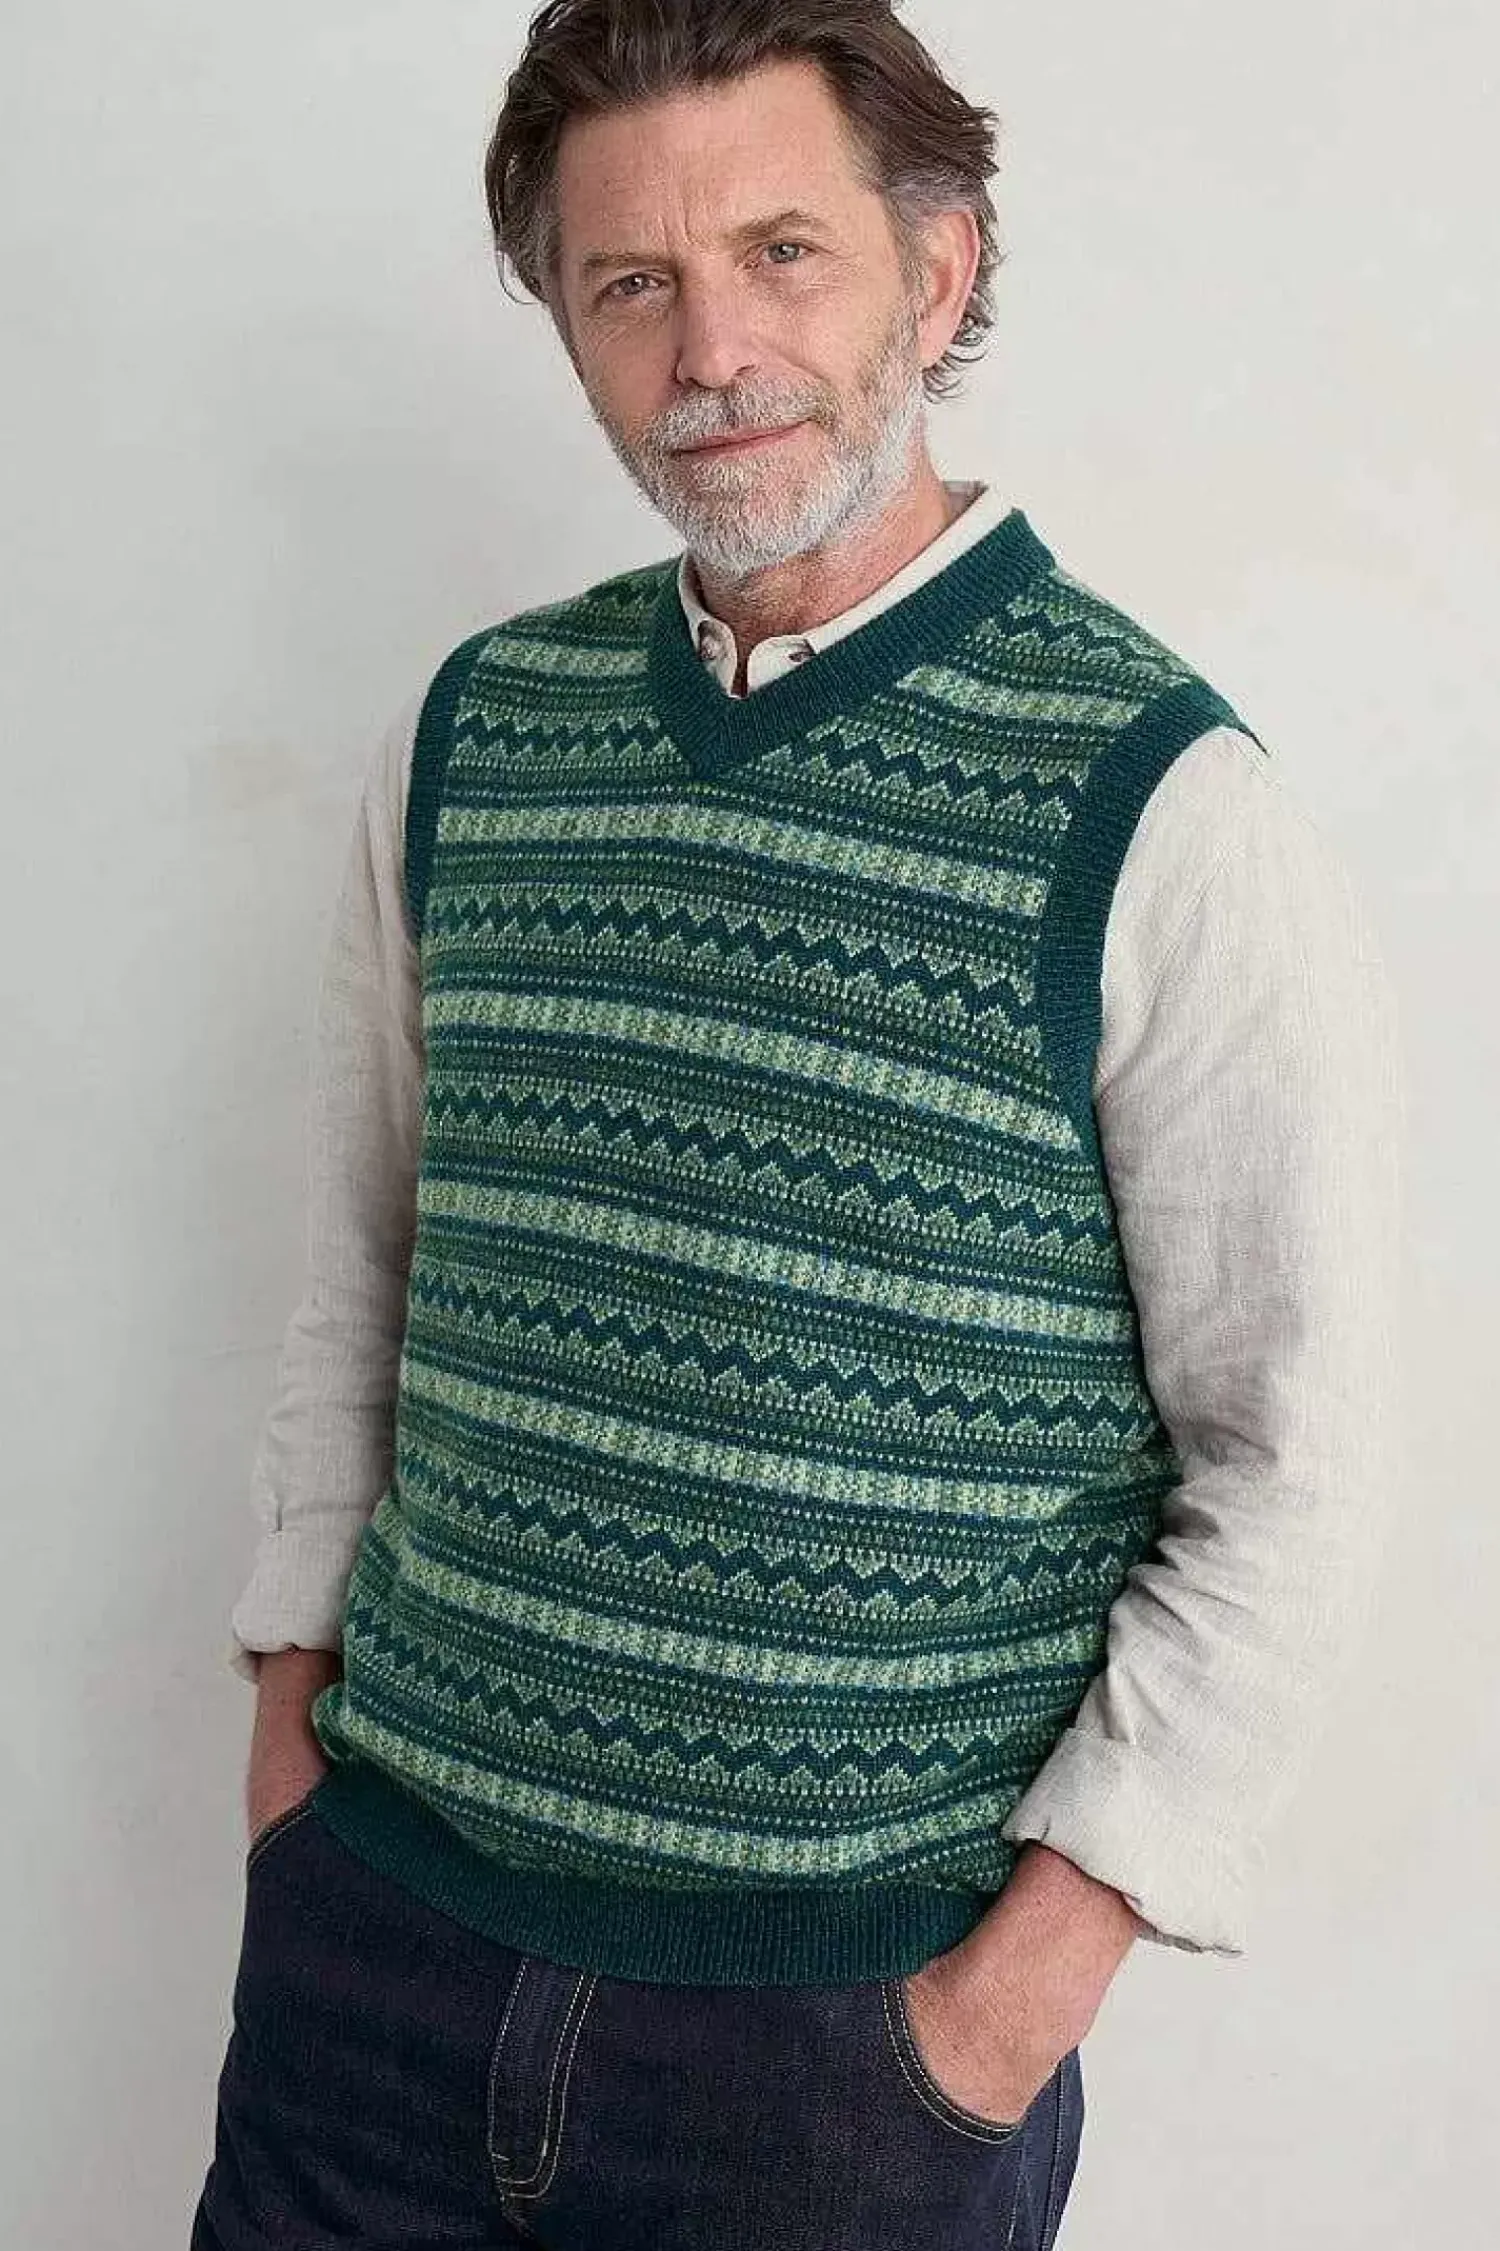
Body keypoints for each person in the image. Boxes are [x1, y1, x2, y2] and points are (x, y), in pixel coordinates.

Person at [191, 3, 1404, 2246]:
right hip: (375, 1963)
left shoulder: (1161, 806)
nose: (712, 351)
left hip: (840, 2065)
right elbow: (364, 1277)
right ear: (565, 325)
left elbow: (1289, 1465)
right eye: (629, 282)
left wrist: (998, 2014)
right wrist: (292, 1764)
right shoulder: (476, 733)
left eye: (783, 253)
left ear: (937, 271)